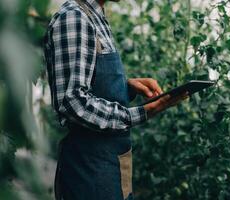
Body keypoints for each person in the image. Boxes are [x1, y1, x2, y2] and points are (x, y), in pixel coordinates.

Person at [44, 0, 188, 199]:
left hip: (110, 163)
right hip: (89, 169)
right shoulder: (74, 18)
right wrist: (141, 112)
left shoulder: (95, 16)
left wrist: (125, 88)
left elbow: (90, 82)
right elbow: (73, 102)